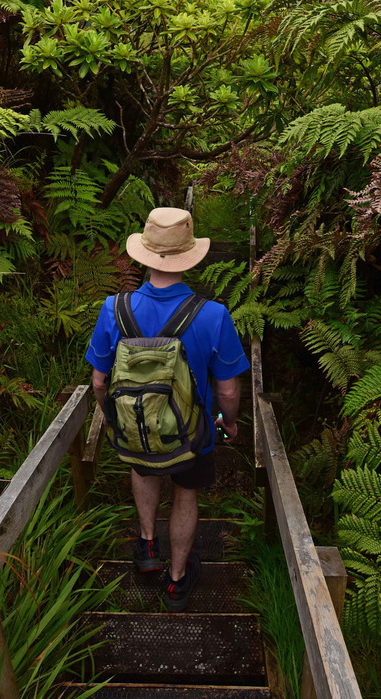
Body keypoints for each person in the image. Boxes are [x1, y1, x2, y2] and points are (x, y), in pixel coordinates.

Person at [85, 207, 250, 611]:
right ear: (189, 255)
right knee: (186, 493)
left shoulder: (113, 308)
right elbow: (227, 390)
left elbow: (99, 381)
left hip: (136, 428)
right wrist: (229, 424)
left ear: (144, 252)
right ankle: (176, 581)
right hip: (193, 435)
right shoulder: (213, 314)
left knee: (143, 468)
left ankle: (147, 545)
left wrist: (113, 419)